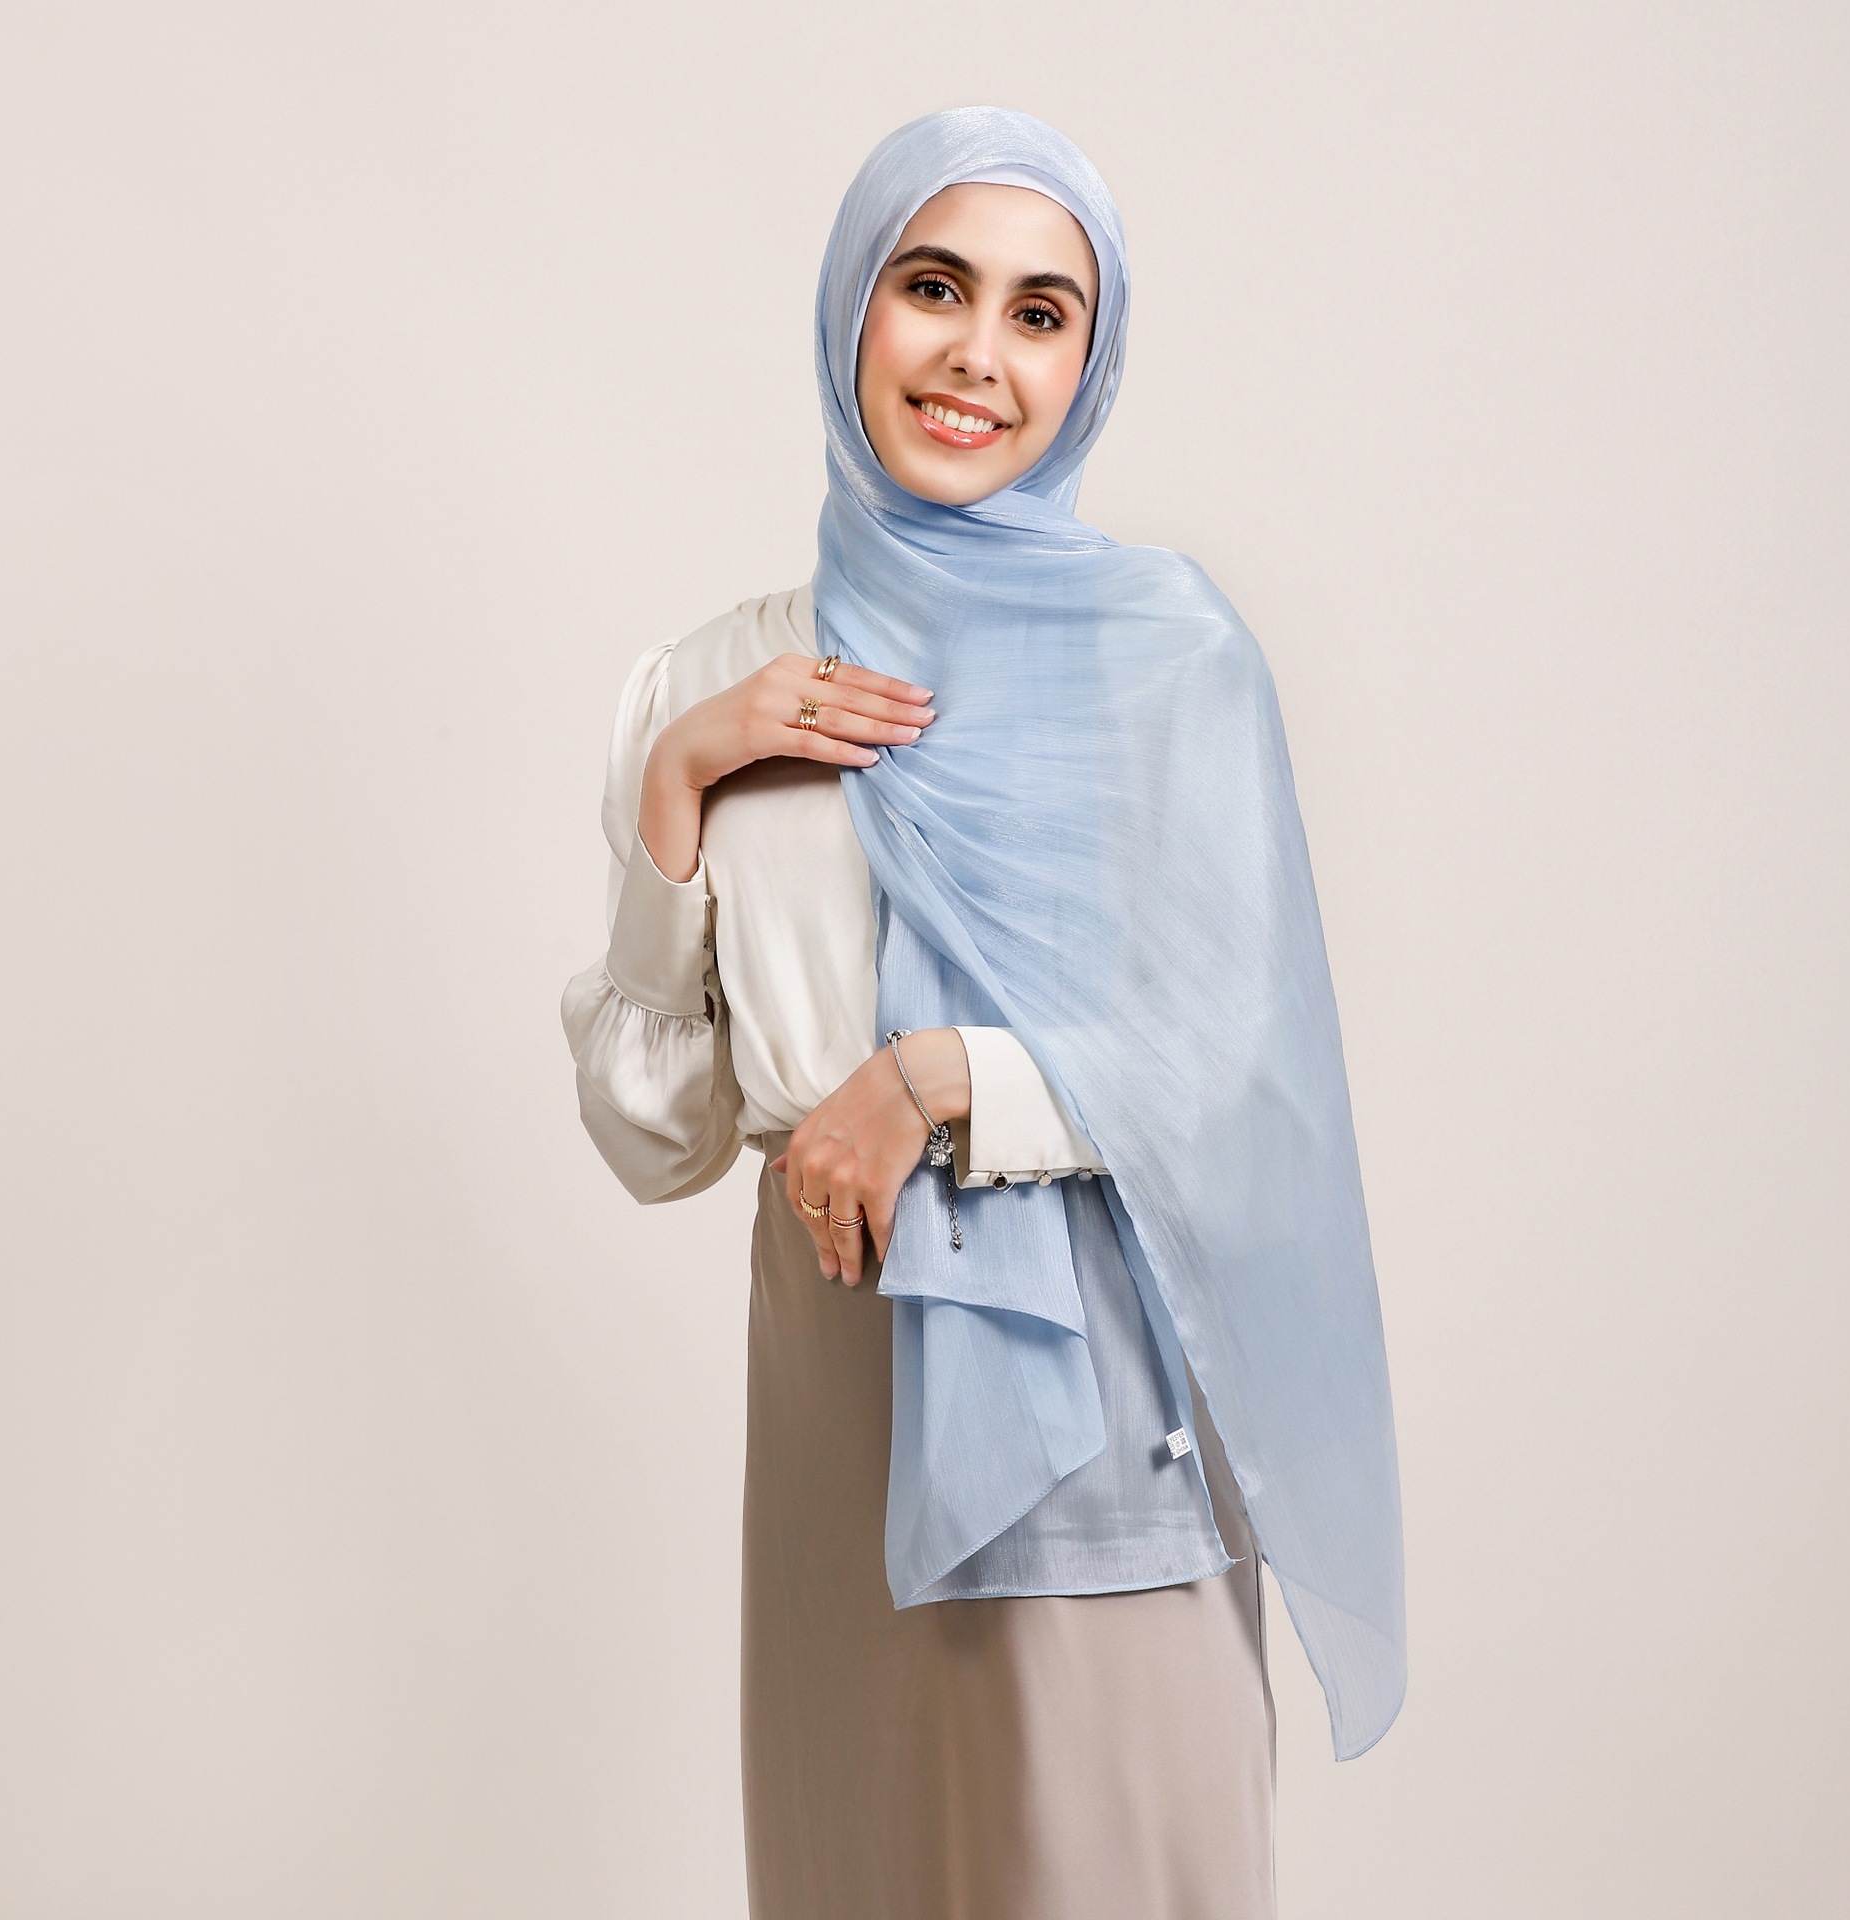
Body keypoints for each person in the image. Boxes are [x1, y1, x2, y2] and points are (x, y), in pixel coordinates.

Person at [562, 107, 1404, 1920]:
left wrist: (930, 1081)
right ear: (851, 310)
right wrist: (674, 794)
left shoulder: (1163, 661)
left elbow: (1235, 1079)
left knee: (1105, 1869)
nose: (976, 355)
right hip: (836, 1384)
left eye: (1041, 314)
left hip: (1094, 1382)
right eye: (932, 288)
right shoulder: (713, 680)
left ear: (1090, 365)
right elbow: (657, 1139)